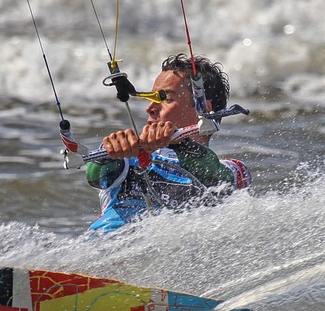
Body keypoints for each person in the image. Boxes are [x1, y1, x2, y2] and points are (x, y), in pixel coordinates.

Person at [86, 53, 250, 232]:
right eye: (152, 98)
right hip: (106, 252)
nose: (150, 108)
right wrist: (109, 152)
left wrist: (179, 143)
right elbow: (95, 176)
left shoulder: (234, 170)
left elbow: (215, 176)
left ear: (204, 109)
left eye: (166, 99)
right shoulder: (128, 160)